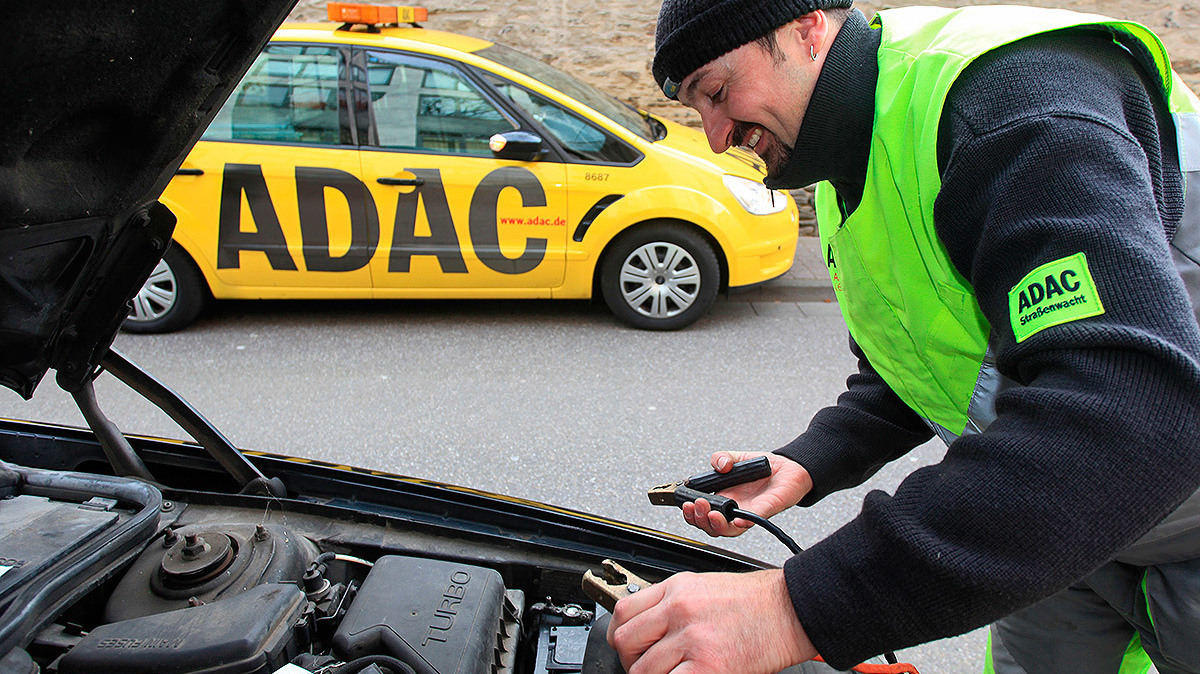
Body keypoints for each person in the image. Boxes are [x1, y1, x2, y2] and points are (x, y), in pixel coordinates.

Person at [605, 1, 1200, 672]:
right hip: (1045, 514)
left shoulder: (1010, 99)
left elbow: (1134, 408)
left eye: (716, 92)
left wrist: (794, 608)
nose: (715, 135)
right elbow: (925, 356)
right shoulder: (844, 166)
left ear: (806, 29)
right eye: (696, 110)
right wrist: (811, 461)